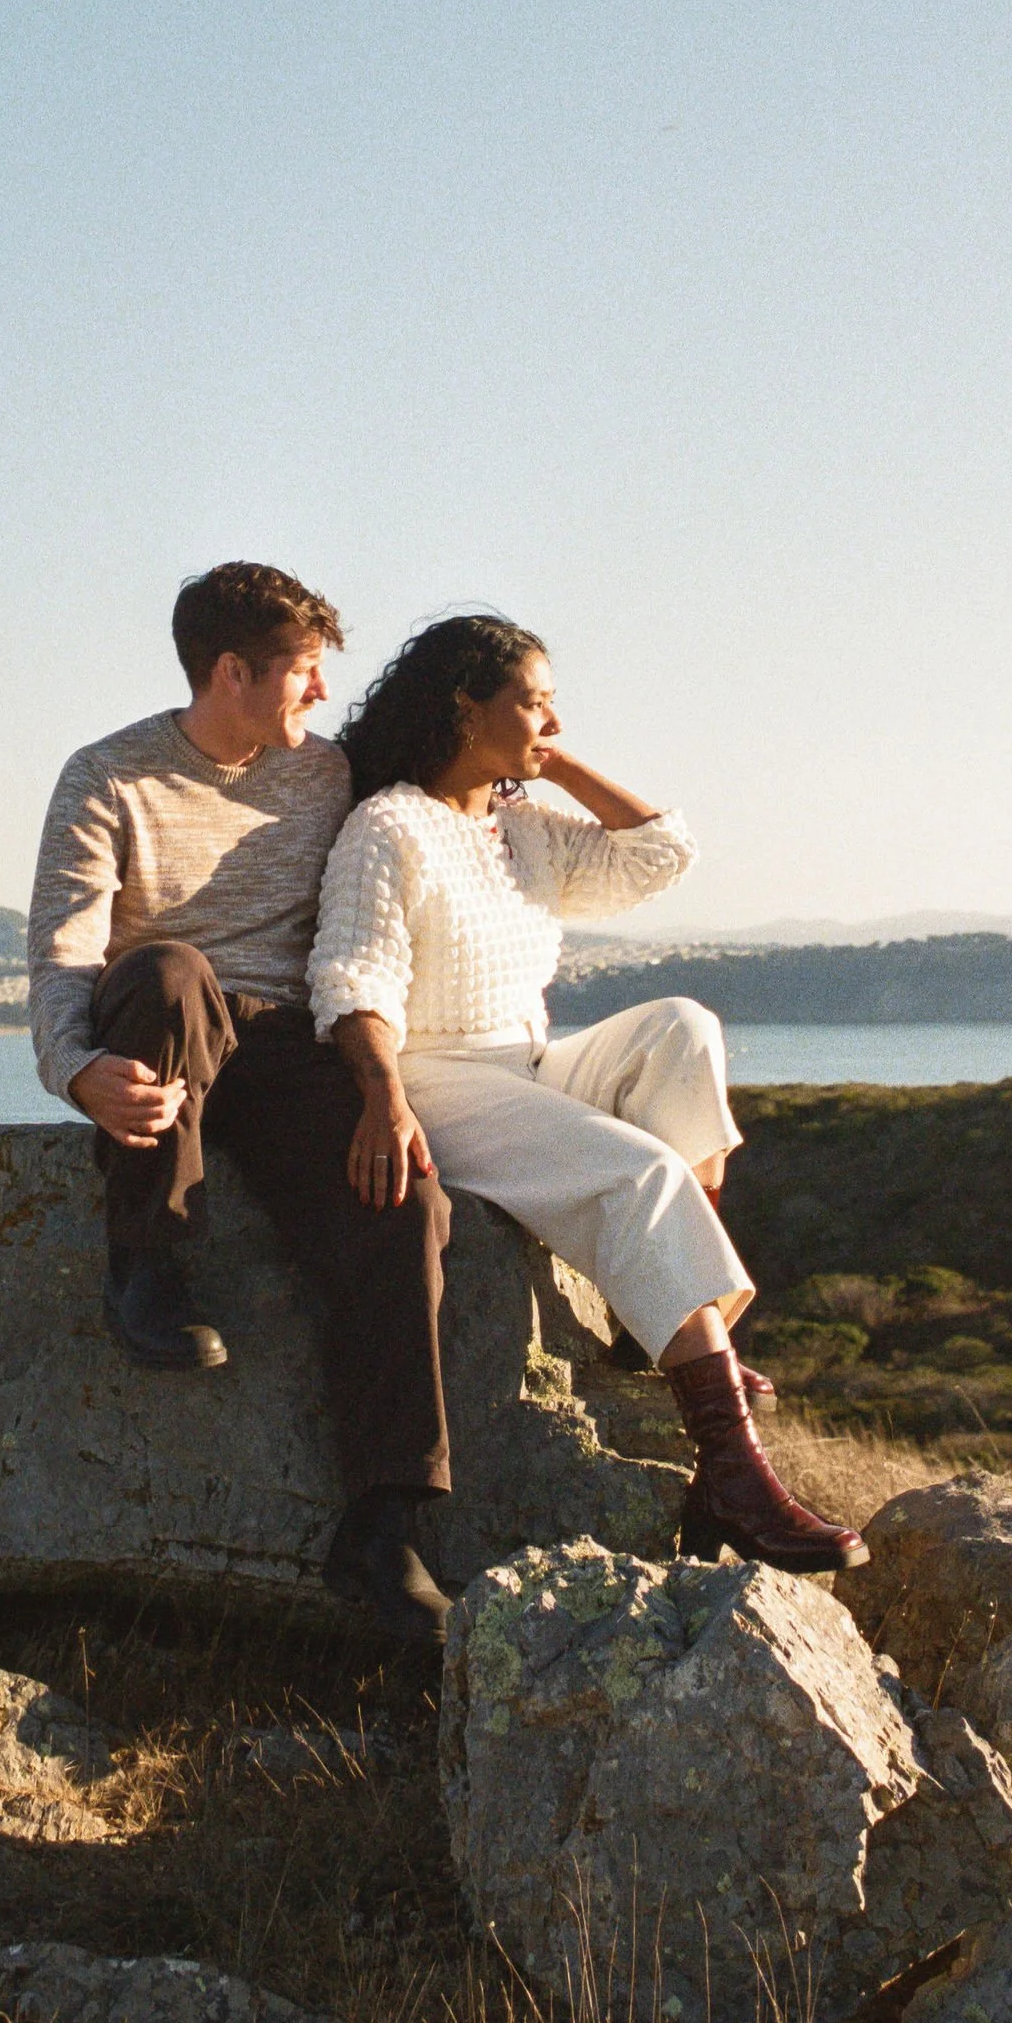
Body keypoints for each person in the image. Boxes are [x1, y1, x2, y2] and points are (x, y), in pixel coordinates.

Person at [307, 613, 869, 1577]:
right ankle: (733, 1473)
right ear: (464, 707)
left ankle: (680, 1329)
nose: (553, 719)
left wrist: (553, 765)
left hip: (528, 1060)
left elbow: (661, 852)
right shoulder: (387, 826)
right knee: (641, 1171)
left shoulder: (521, 828)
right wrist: (383, 1097)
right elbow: (351, 979)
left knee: (683, 1028)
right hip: (437, 1078)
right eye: (534, 701)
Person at [27, 561, 457, 1643]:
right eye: (303, 671)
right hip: (167, 1023)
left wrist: (381, 1089)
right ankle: (146, 1258)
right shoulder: (107, 776)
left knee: (404, 1201)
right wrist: (75, 1068)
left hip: (290, 1044)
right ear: (232, 672)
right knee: (171, 971)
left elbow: (434, 830)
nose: (320, 692)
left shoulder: (329, 774)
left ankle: (383, 1524)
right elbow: (65, 954)